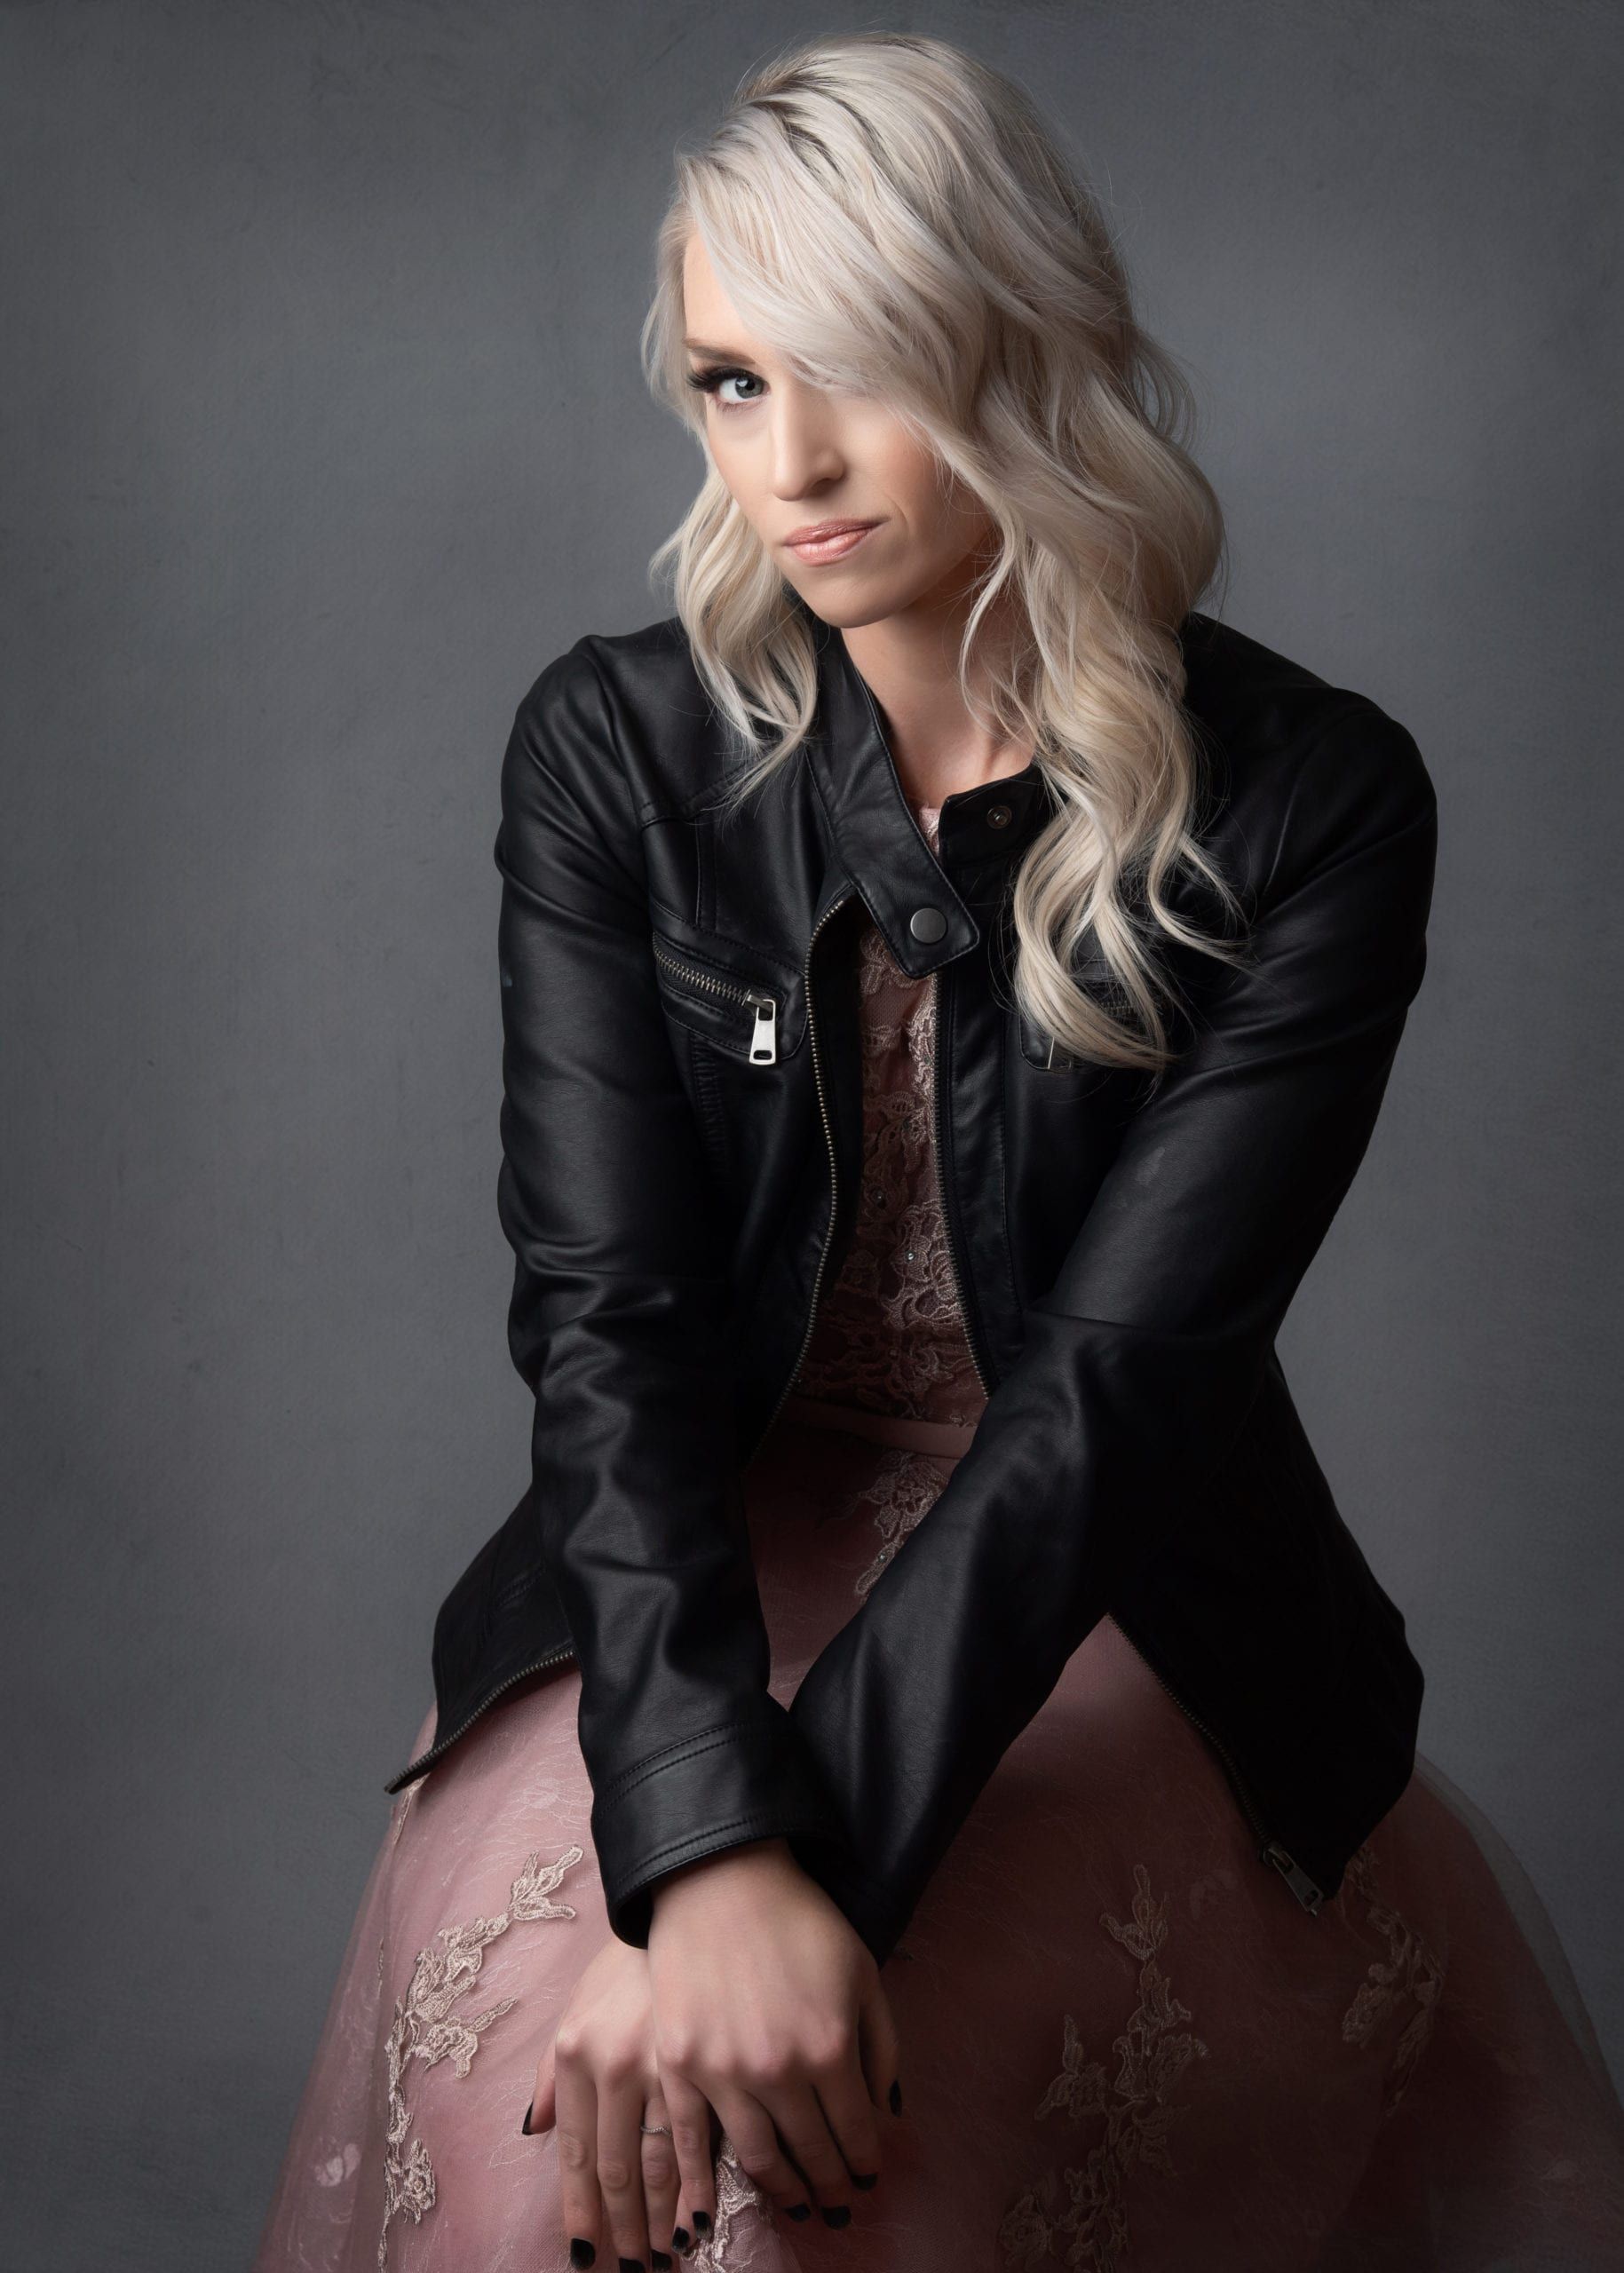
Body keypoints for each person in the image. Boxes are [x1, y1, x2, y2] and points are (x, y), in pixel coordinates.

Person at [250, 31, 1624, 2273]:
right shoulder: (615, 750)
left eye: (862, 369)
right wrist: (701, 1846)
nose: (787, 463)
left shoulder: (1312, 801)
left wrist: (811, 1883)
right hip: (680, 1576)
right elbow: (610, 1329)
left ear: (1016, 348)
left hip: (1113, 1586)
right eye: (729, 381)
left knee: (817, 2131)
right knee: (566, 2079)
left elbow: (1121, 1391)